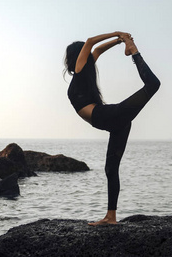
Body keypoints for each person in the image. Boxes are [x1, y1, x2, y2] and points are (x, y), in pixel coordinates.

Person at [64, 32, 160, 225]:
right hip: (115, 122)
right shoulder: (85, 71)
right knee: (111, 169)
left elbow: (91, 43)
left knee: (153, 84)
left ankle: (134, 52)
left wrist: (119, 35)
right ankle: (111, 216)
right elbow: (97, 48)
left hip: (108, 116)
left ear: (71, 57)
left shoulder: (82, 68)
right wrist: (119, 41)